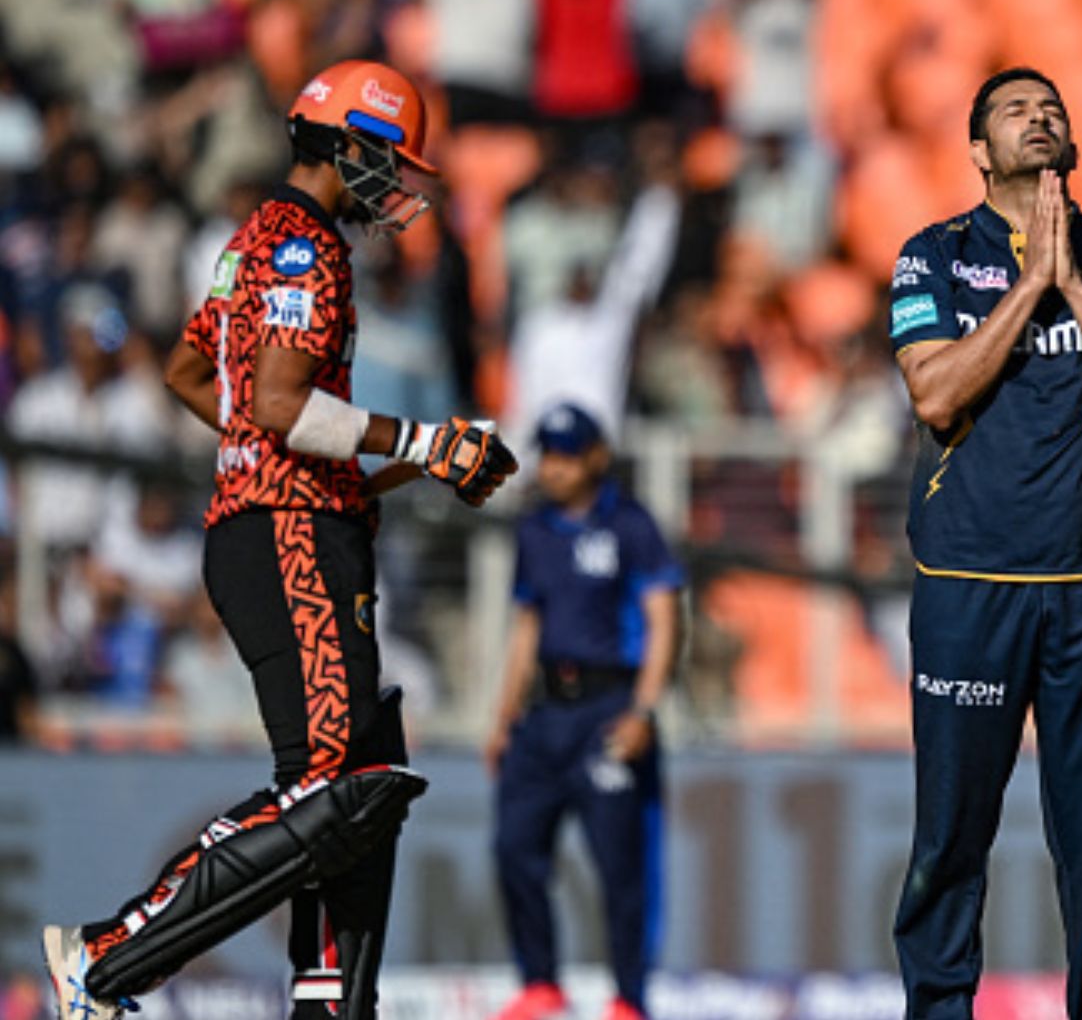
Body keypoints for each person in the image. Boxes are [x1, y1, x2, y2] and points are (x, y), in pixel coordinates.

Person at [41, 59, 520, 1020]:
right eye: (388, 160)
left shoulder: (255, 238)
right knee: (334, 789)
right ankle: (107, 959)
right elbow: (280, 404)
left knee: (349, 789)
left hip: (285, 519)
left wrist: (402, 460)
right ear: (346, 147)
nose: (397, 185)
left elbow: (192, 373)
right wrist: (421, 439)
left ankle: (326, 1005)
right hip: (291, 538)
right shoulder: (307, 248)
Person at [887, 68, 1082, 1020]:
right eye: (1015, 111)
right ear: (979, 152)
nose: (1040, 117)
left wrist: (1075, 290)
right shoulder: (931, 257)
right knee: (949, 842)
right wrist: (1029, 286)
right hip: (969, 584)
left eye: (1052, 107)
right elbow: (935, 395)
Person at [486, 402, 682, 1020]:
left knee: (622, 865)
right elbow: (526, 625)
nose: (555, 467)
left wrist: (644, 711)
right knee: (515, 848)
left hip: (609, 710)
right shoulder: (535, 530)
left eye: (568, 454)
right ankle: (539, 982)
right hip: (545, 715)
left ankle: (629, 997)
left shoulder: (632, 525)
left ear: (597, 455)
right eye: (547, 454)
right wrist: (503, 714)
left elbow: (663, 621)